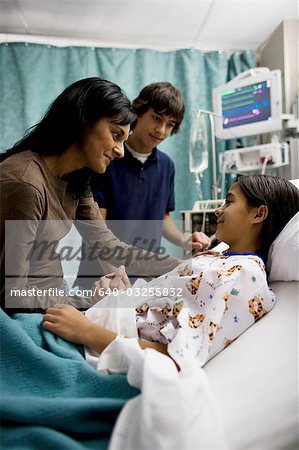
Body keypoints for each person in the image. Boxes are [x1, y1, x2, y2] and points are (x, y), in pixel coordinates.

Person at [43, 175, 299, 370]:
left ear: (259, 213)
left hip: (98, 343)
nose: (218, 210)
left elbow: (178, 356)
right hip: (98, 321)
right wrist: (124, 296)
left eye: (229, 202)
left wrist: (86, 331)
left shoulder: (244, 275)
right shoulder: (219, 258)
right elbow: (167, 308)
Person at [0, 77, 181, 314]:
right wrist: (89, 300)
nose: (120, 151)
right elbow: (12, 293)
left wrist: (184, 266)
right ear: (83, 120)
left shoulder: (76, 179)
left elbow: (108, 246)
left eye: (125, 140)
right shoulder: (25, 184)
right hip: (24, 313)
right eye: (116, 135)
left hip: (53, 296)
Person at [75, 81, 211, 288]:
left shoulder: (166, 165)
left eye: (170, 124)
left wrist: (185, 241)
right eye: (157, 118)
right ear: (137, 112)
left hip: (145, 277)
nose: (161, 130)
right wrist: (115, 277)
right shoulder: (106, 158)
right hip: (101, 276)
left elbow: (162, 217)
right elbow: (97, 228)